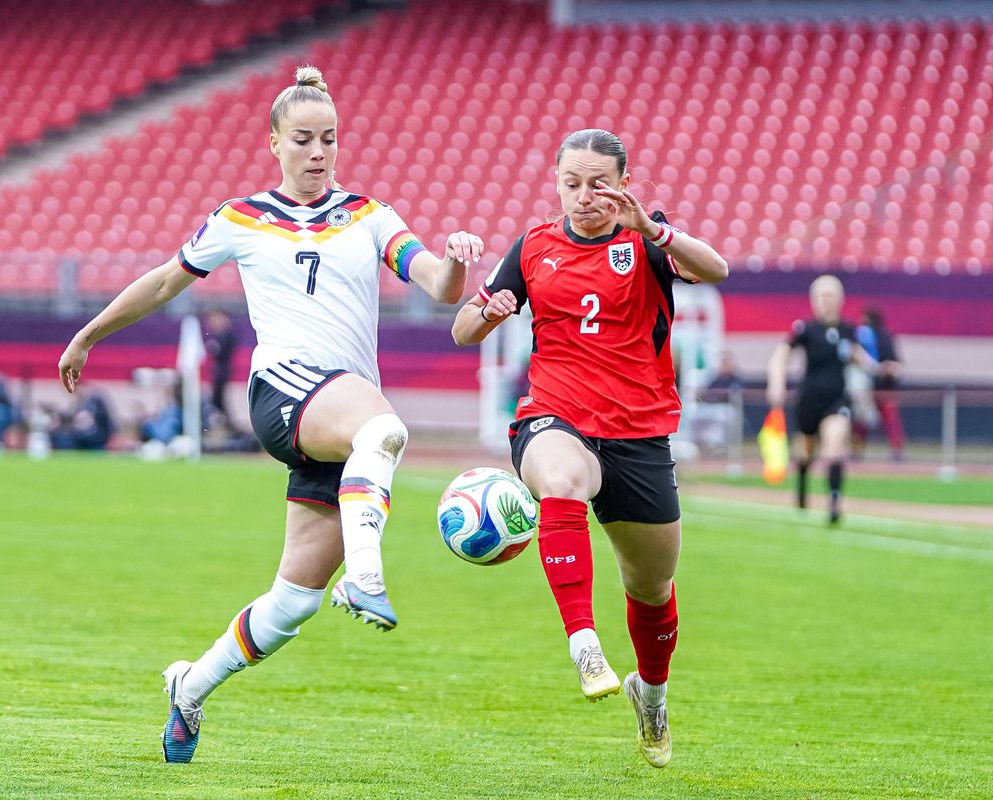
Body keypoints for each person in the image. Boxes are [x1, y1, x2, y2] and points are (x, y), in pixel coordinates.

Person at [57, 66, 479, 763]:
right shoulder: (241, 218)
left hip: (338, 413)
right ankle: (367, 577)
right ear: (274, 142)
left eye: (329, 139)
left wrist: (458, 261)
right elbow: (163, 282)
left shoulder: (369, 215)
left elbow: (437, 284)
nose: (318, 152)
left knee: (293, 603)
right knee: (385, 429)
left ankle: (190, 687)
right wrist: (88, 334)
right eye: (304, 139)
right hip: (284, 392)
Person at [452, 128, 727, 768]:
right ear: (557, 184)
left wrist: (655, 230)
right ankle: (584, 644)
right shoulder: (533, 247)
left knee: (651, 586)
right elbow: (464, 330)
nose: (583, 196)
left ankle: (651, 695)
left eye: (598, 184)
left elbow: (716, 268)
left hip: (639, 434)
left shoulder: (647, 240)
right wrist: (489, 311)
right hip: (554, 417)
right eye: (571, 183)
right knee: (560, 481)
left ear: (623, 184)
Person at [766, 275, 868, 524]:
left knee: (835, 446)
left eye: (830, 296)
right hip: (809, 400)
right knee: (806, 453)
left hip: (837, 399)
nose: (826, 302)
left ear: (840, 300)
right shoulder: (805, 329)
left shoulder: (848, 330)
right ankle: (802, 489)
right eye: (821, 297)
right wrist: (777, 384)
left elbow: (861, 357)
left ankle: (834, 501)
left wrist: (878, 366)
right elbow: (780, 356)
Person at [852, 307, 906, 462]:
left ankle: (897, 450)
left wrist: (888, 368)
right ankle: (856, 450)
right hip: (865, 387)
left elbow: (895, 363)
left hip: (884, 387)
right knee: (861, 420)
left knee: (890, 419)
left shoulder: (885, 336)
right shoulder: (859, 336)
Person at [203, 308, 238, 431]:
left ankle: (227, 426)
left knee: (219, 400)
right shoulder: (218, 335)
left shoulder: (227, 335)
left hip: (222, 372)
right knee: (217, 400)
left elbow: (221, 352)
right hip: (219, 372)